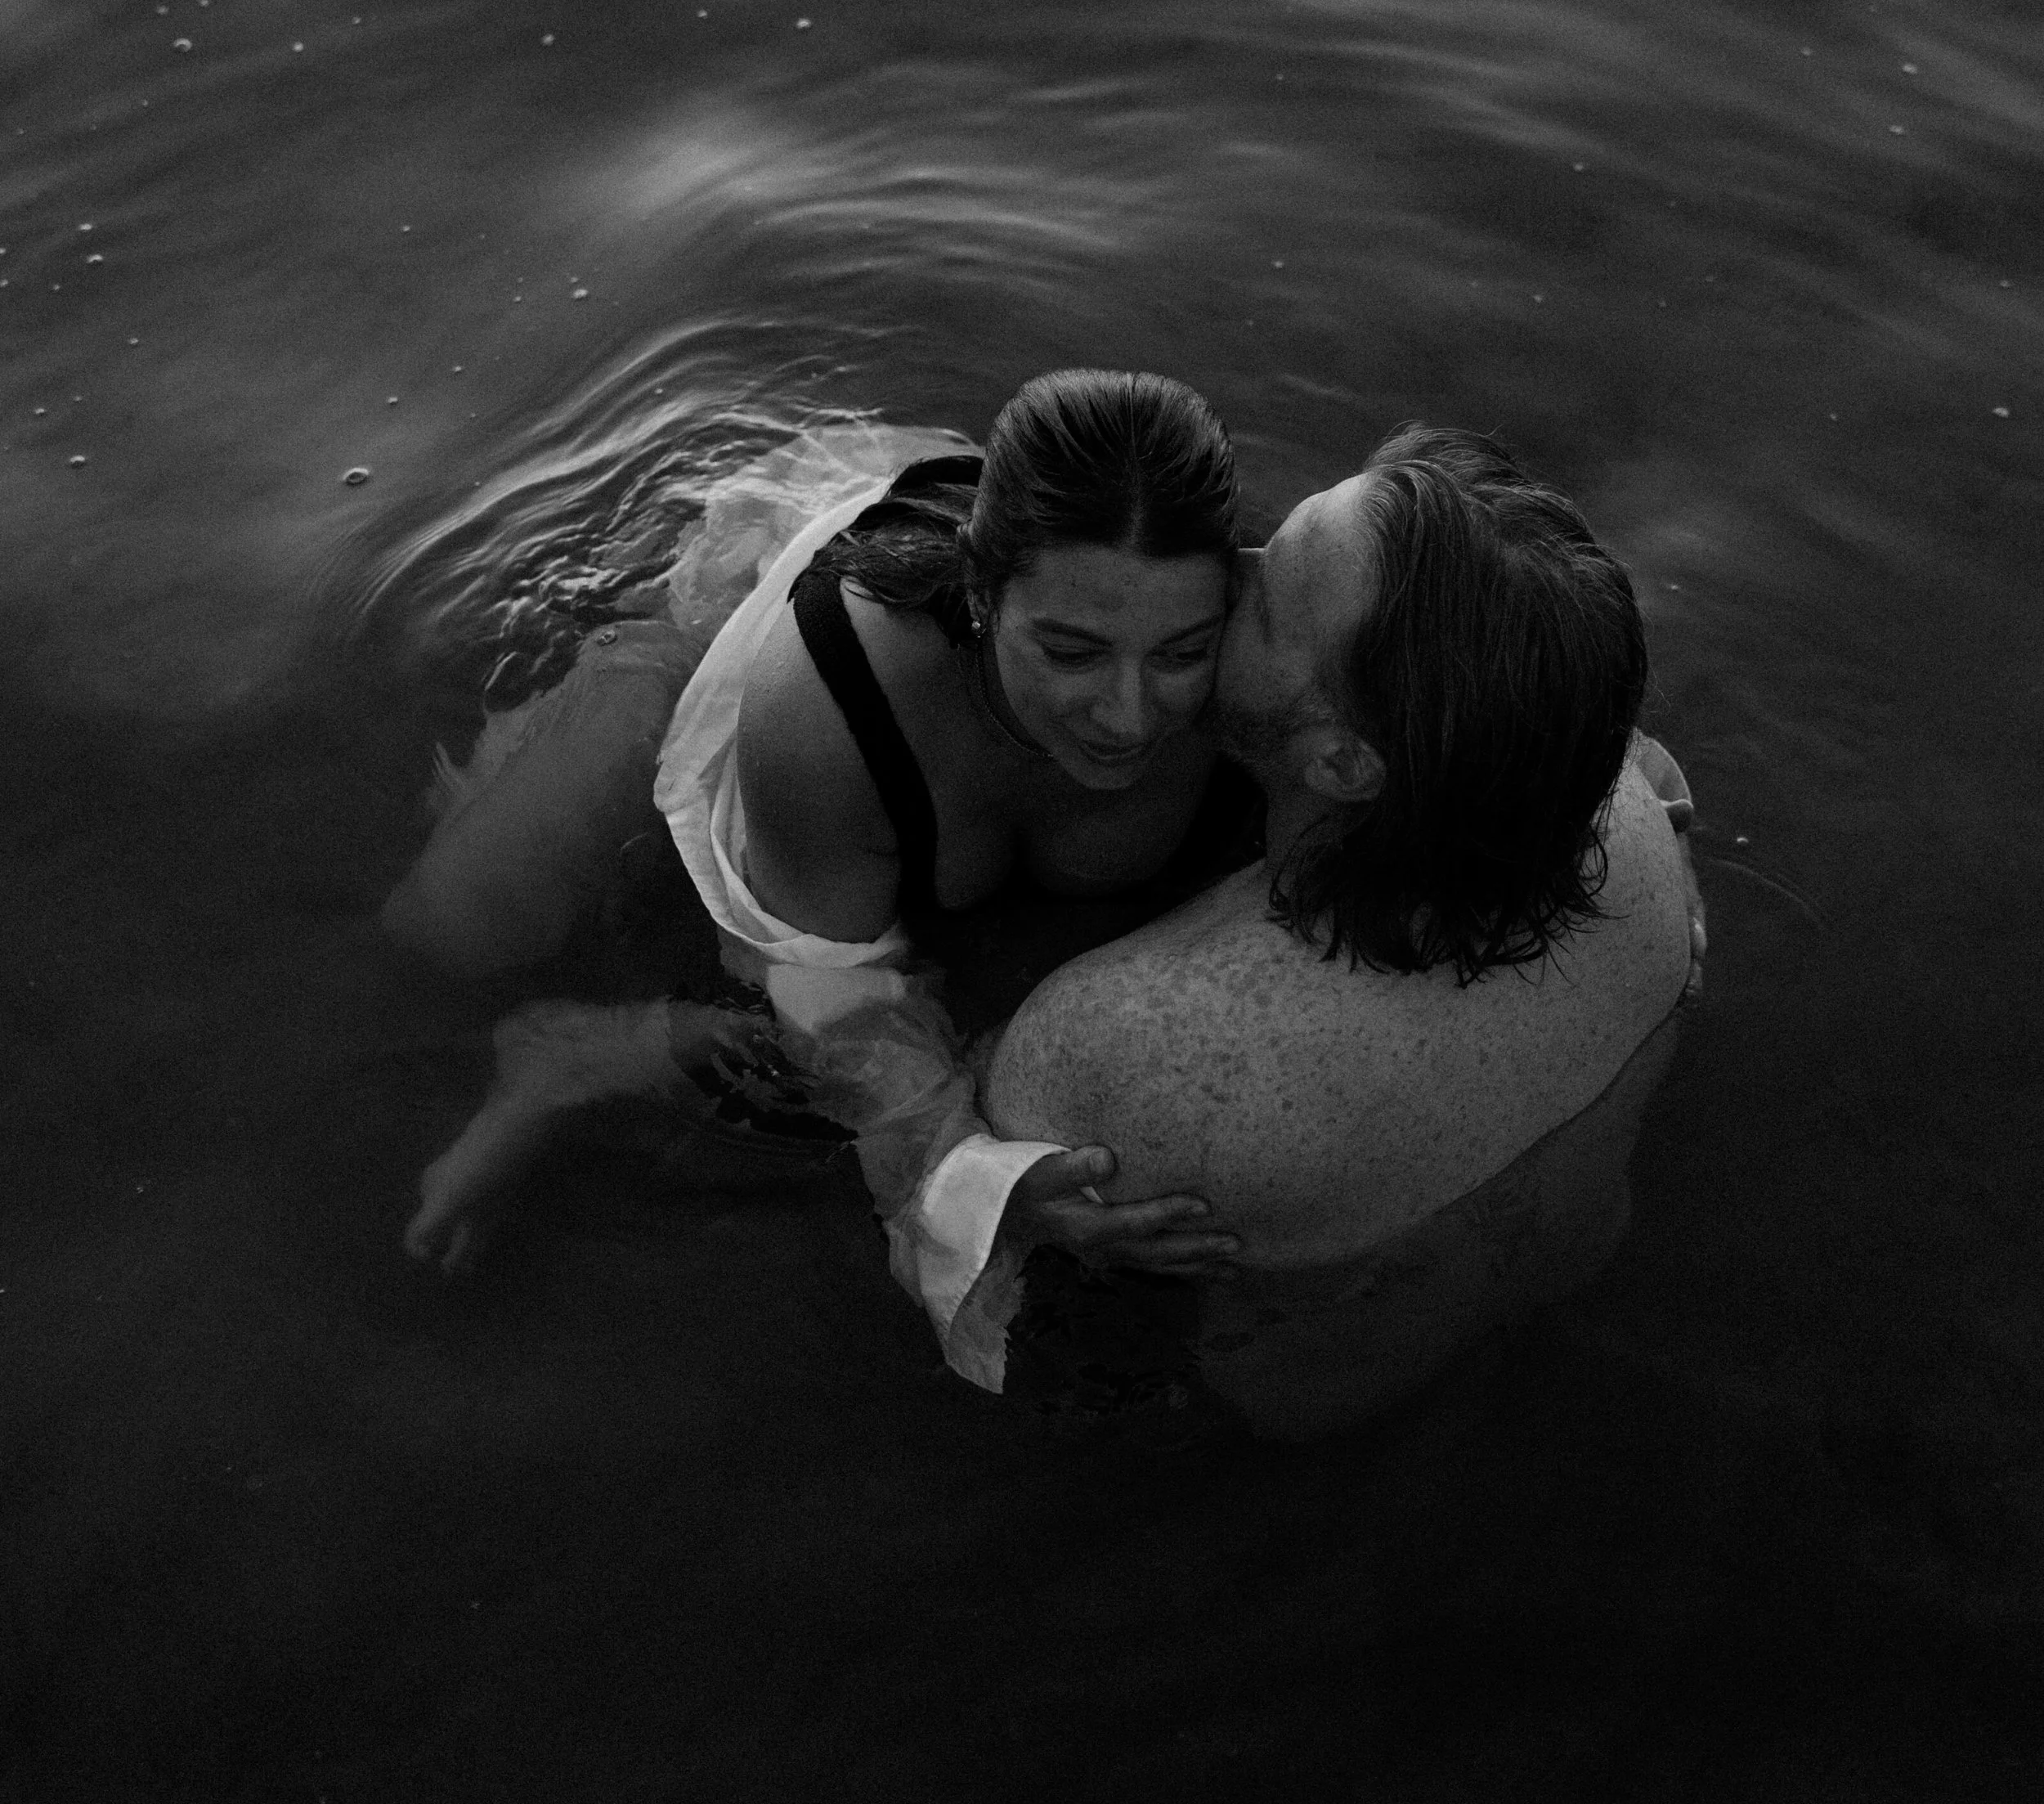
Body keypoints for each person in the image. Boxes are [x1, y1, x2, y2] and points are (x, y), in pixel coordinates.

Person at [894, 424, 1706, 1432]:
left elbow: (935, 1225)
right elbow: (1647, 766)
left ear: (1341, 765)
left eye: (1267, 593)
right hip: (1563, 1270)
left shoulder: (1128, 1043)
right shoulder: (1626, 821)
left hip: (1270, 1397)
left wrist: (990, 1188)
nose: (1223, 571)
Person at [392, 374, 1248, 1272]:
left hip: (1003, 510)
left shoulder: (1255, 655)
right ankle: (572, 1050)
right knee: (455, 927)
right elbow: (834, 1008)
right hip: (749, 595)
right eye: (1072, 651)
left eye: (1182, 653)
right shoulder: (834, 702)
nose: (1131, 716)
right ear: (984, 595)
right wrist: (978, 1190)